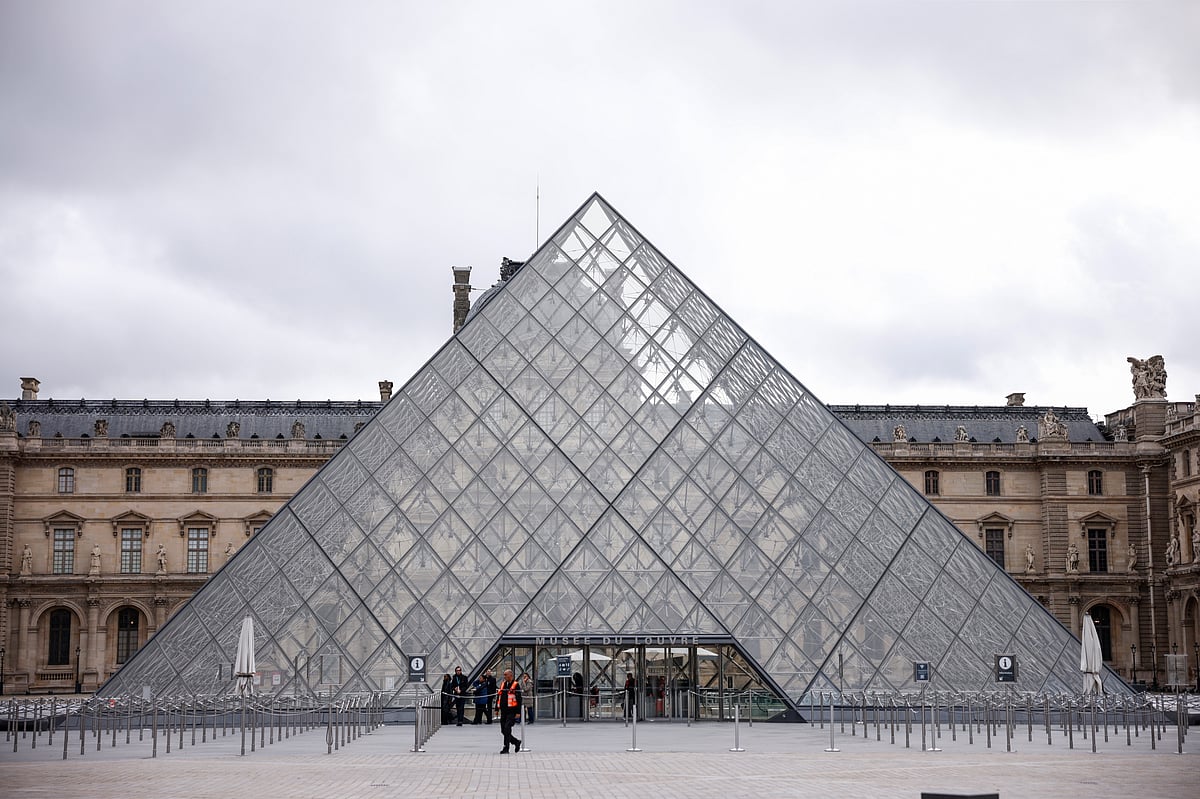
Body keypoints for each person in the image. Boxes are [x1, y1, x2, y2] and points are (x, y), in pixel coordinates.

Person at [496, 668, 522, 753]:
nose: (504, 676)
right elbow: (498, 696)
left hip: (512, 711)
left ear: (511, 675)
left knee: (507, 728)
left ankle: (506, 748)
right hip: (503, 710)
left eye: (505, 675)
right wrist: (496, 708)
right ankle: (516, 742)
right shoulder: (503, 684)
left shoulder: (515, 685)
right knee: (503, 730)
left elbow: (519, 699)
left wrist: (518, 712)